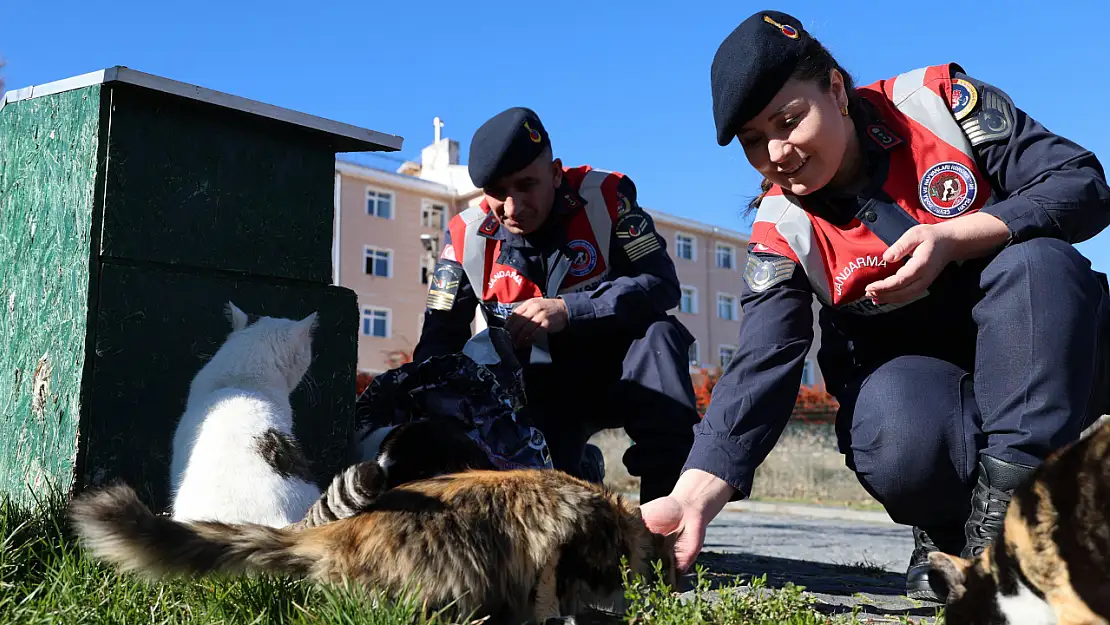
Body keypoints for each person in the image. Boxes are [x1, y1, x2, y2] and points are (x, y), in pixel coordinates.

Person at [640, 9, 1110, 602]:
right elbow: (763, 359)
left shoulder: (940, 105)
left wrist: (958, 236)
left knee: (1036, 261)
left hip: (1049, 361)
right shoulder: (784, 227)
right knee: (891, 427)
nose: (778, 153)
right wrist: (692, 493)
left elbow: (1081, 183)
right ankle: (945, 532)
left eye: (788, 120)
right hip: (923, 393)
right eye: (754, 142)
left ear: (836, 89)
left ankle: (1003, 538)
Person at [412, 106, 701, 503]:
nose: (513, 208)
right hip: (536, 390)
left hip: (618, 372)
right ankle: (578, 466)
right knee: (549, 495)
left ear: (555, 173)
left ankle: (665, 520)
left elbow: (661, 284)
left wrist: (570, 309)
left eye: (526, 185)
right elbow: (437, 340)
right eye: (498, 193)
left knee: (661, 336)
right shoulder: (466, 236)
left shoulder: (606, 198)